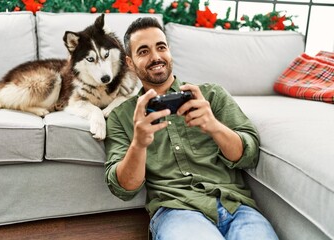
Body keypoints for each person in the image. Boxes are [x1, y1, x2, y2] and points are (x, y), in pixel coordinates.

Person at [104, 17, 278, 240]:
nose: (156, 57)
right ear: (130, 63)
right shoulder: (122, 116)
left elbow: (249, 155)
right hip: (177, 211)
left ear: (169, 51)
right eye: (144, 51)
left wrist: (214, 127)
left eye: (161, 47)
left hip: (236, 207)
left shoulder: (211, 95)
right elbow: (123, 188)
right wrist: (139, 143)